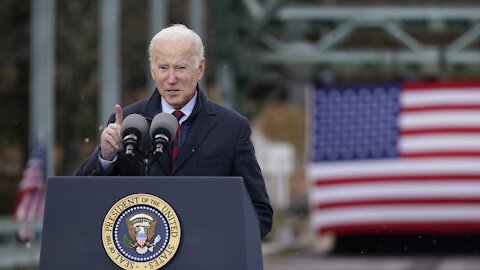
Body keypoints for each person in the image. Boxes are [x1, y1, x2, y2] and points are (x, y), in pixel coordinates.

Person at [76, 24, 273, 239]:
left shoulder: (233, 128)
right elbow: (82, 198)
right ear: (152, 69)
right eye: (163, 67)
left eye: (180, 68)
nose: (171, 79)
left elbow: (259, 213)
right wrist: (106, 156)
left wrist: (220, 242)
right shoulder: (127, 122)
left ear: (200, 68)